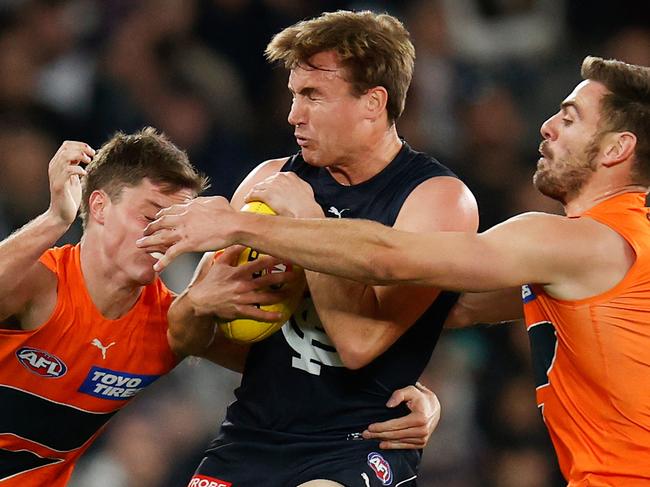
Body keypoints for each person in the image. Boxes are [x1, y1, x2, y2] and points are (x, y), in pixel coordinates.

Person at [140, 56, 650, 486]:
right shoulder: (622, 244)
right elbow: (448, 308)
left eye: (571, 116)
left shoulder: (573, 239)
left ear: (616, 149)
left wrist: (244, 225)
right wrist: (403, 386)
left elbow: (393, 259)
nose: (547, 125)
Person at [0, 127, 440, 486]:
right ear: (98, 206)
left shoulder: (167, 321)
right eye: (150, 213)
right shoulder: (43, 282)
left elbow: (292, 374)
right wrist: (55, 219)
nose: (164, 231)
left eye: (177, 220)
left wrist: (396, 392)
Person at [153, 10, 477, 487]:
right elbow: (187, 337)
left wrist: (306, 222)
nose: (292, 115)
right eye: (293, 96)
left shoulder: (437, 200)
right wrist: (199, 305)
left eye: (313, 96)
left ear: (372, 103)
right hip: (250, 436)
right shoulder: (268, 180)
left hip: (356, 444)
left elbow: (358, 345)